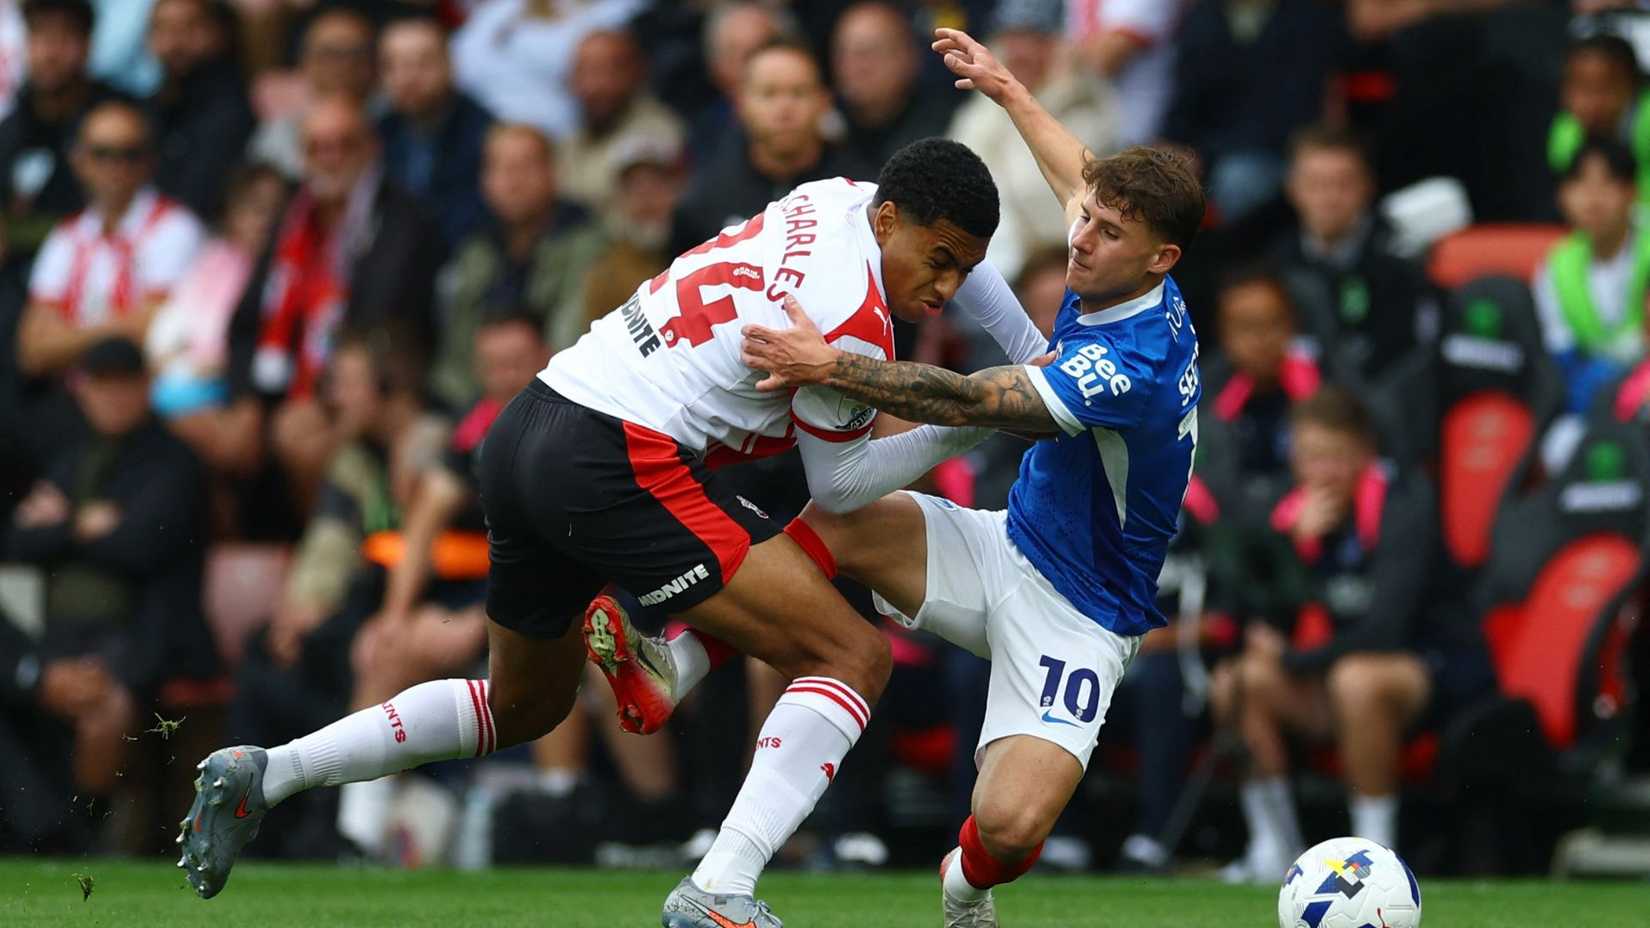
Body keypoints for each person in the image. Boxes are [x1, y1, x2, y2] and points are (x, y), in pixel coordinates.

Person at [179, 137, 1016, 928]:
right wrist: (988, 411)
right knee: (851, 653)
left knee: (521, 705)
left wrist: (1032, 349)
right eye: (939, 261)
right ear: (889, 222)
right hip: (618, 456)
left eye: (964, 269)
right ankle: (720, 886)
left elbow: (949, 269)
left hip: (530, 425)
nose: (948, 288)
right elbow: (843, 485)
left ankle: (269, 771)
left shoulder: (835, 197)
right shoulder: (849, 320)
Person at [621, 28, 1205, 927]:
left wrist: (834, 366)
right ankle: (678, 666)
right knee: (838, 515)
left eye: (1107, 231)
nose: (1080, 238)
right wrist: (1009, 91)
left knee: (1009, 828)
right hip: (1004, 544)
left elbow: (968, 400)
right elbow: (1080, 173)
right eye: (1086, 218)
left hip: (1085, 613)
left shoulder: (1131, 365)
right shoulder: (1121, 257)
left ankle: (964, 884)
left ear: (1161, 259)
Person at [1205, 386, 1492, 880]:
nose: (1320, 472)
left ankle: (1374, 857)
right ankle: (1274, 848)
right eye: (1309, 457)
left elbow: (1385, 630)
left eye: (1334, 457)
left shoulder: (1405, 503)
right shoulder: (1292, 511)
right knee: (1237, 682)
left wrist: (1293, 660)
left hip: (1433, 672)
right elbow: (1261, 623)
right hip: (1335, 672)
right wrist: (1292, 547)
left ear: (1364, 452)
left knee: (1357, 680)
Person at [5, 336, 215, 818]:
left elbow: (141, 546)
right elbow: (20, 541)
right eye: (102, 385)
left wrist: (62, 526)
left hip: (146, 634)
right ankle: (38, 824)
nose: (113, 397)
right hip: (62, 633)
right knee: (25, 682)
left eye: (125, 384)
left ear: (147, 387)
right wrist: (84, 524)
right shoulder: (72, 459)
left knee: (104, 704)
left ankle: (90, 830)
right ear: (83, 391)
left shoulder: (175, 461)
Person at [228, 94, 444, 505]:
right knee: (219, 433)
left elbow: (390, 318)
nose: (330, 159)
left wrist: (329, 394)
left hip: (375, 381)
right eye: (317, 148)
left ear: (370, 148)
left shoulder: (403, 220)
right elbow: (246, 320)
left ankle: (339, 534)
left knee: (299, 435)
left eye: (343, 145)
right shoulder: (290, 218)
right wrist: (245, 399)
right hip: (286, 382)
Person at [17, 98, 203, 380]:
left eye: (130, 154)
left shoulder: (176, 227)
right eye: (101, 154)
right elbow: (32, 349)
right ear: (78, 160)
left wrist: (65, 338)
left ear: (150, 160)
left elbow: (155, 328)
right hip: (73, 394)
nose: (116, 166)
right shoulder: (66, 236)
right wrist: (118, 327)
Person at [428, 122, 606, 410]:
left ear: (553, 173)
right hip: (477, 405)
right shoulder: (475, 249)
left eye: (525, 167)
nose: (513, 182)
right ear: (485, 181)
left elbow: (570, 341)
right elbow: (457, 354)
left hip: (560, 404)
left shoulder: (588, 243)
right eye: (500, 169)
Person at [947, 0, 1118, 279]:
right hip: (987, 274)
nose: (1021, 52)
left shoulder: (1091, 113)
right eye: (1012, 38)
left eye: (1035, 39)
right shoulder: (978, 115)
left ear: (1061, 47)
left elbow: (1072, 211)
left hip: (1065, 271)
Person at [670, 37, 872, 257]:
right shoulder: (703, 202)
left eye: (798, 92)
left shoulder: (861, 195)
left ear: (824, 102)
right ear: (740, 104)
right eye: (769, 93)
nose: (784, 109)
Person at [1270, 125, 1436, 383]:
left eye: (1344, 184)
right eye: (1315, 184)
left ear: (1368, 186)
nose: (1329, 198)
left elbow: (1411, 362)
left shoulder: (1401, 263)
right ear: (1292, 189)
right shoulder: (1276, 266)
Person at [0, 0, 121, 275]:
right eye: (39, 35)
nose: (50, 53)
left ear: (88, 44)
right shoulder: (11, 128)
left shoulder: (118, 121)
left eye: (64, 37)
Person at [1533, 135, 1647, 415]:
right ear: (1563, 196)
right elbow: (1562, 357)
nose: (1593, 200)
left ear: (1632, 192)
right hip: (1591, 400)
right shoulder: (1556, 266)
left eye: (1607, 184)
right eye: (1581, 185)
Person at [374, 12, 492, 250]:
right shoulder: (377, 134)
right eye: (394, 66)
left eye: (423, 63)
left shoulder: (484, 134)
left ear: (451, 66)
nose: (408, 77)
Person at [144, 0, 255, 217]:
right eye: (162, 29)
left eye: (188, 27)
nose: (174, 42)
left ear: (217, 33)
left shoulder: (233, 111)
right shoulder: (145, 110)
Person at [556, 27, 683, 213]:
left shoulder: (658, 132)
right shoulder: (571, 141)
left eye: (604, 71)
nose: (593, 86)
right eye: (583, 72)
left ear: (634, 73)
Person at [246, 6, 375, 179]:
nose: (344, 66)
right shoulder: (281, 132)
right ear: (306, 63)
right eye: (330, 54)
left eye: (356, 54)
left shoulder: (391, 124)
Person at [829, 2, 956, 168]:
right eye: (843, 53)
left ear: (908, 56)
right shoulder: (825, 131)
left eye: (867, 53)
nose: (853, 66)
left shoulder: (949, 129)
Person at [578, 135, 684, 334]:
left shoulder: (702, 252)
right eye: (635, 189)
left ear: (676, 192)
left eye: (656, 186)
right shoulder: (605, 276)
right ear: (619, 201)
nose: (647, 201)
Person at [1548, 33, 1650, 196]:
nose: (1593, 102)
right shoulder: (1565, 134)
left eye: (1606, 88)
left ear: (1633, 86)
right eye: (1582, 88)